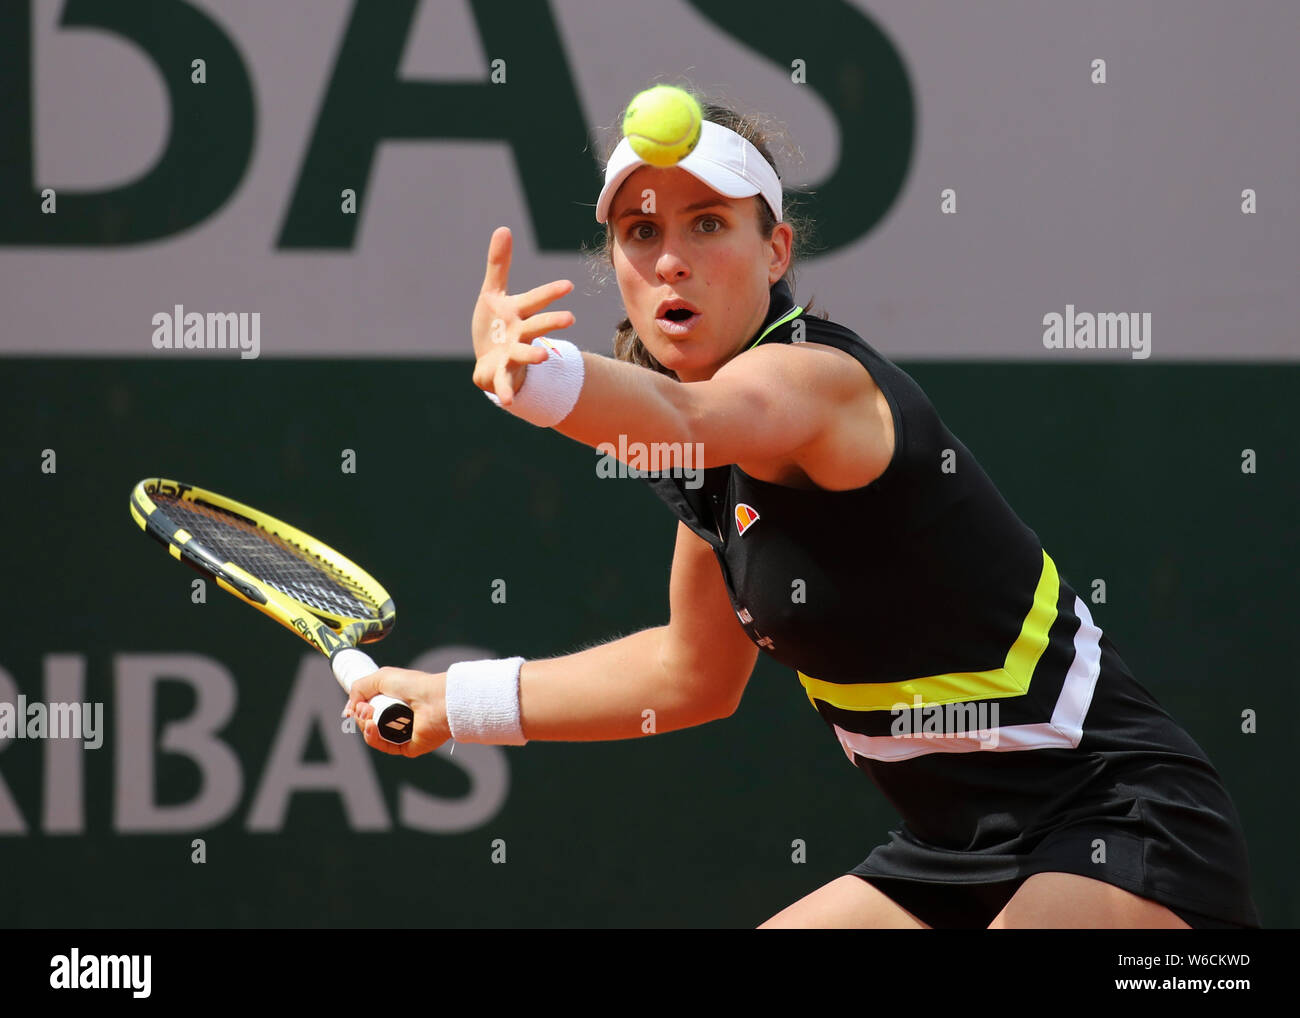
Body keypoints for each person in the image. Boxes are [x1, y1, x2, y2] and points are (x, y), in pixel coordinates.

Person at [344, 92, 1260, 930]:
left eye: (709, 224)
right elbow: (688, 677)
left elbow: (685, 416)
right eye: (639, 230)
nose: (670, 258)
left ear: (776, 250)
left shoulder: (814, 383)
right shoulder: (710, 476)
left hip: (1114, 821)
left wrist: (537, 380)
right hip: (950, 852)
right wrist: (452, 700)